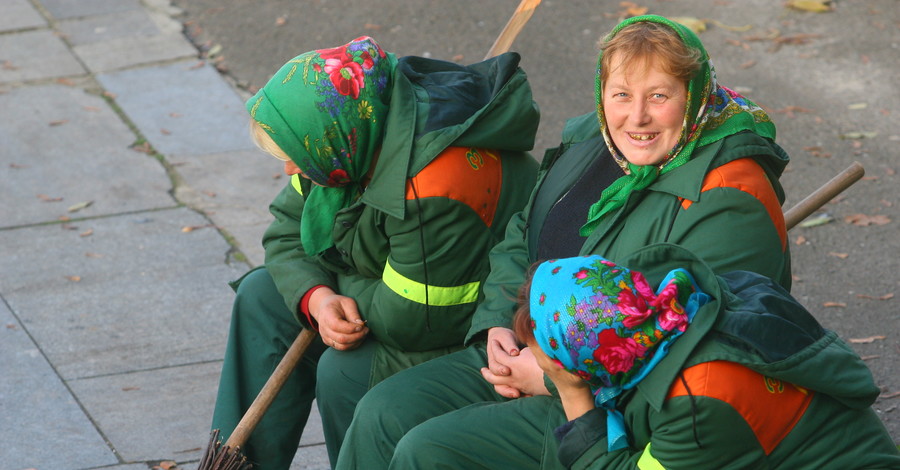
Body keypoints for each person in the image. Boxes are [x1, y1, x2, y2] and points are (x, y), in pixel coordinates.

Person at [336, 15, 795, 469]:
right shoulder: (594, 146)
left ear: (693, 97)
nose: (637, 116)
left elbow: (696, 344)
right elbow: (524, 235)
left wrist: (554, 377)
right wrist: (498, 323)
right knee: (383, 413)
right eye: (621, 95)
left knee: (430, 450)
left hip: (615, 405)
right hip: (526, 348)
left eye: (659, 96)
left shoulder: (730, 197)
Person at [209, 36, 540, 469]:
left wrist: (335, 288)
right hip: (388, 293)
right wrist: (317, 297)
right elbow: (286, 234)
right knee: (262, 293)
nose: (290, 169)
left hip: (465, 327)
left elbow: (409, 318)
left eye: (293, 156)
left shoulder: (437, 183)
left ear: (330, 139)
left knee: (343, 370)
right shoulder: (339, 143)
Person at [518, 245, 900, 469]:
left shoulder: (698, 398)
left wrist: (574, 395)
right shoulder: (671, 315)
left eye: (546, 359)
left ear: (582, 363)